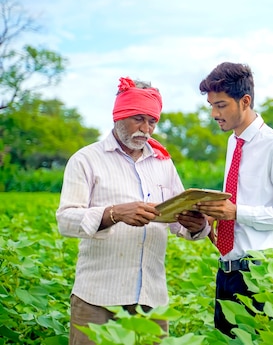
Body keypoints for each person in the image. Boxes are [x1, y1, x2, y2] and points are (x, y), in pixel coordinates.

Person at [56, 77, 209, 345]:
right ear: (119, 116)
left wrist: (195, 225)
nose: (146, 129)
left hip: (150, 298)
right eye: (138, 119)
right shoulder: (86, 160)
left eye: (152, 121)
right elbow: (66, 220)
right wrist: (114, 214)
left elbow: (178, 223)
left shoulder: (163, 163)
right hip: (97, 298)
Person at [195, 62, 273, 337]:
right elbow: (237, 201)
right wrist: (213, 215)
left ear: (244, 101)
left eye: (221, 105)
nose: (214, 113)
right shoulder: (234, 141)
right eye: (211, 105)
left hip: (261, 275)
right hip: (227, 272)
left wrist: (236, 213)